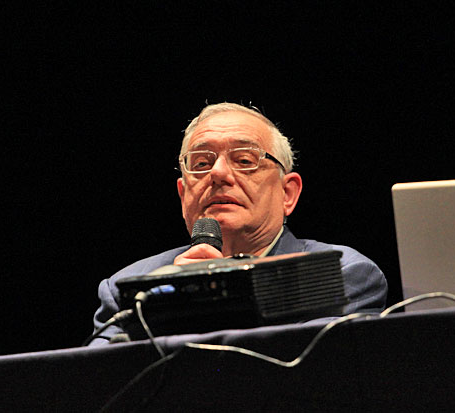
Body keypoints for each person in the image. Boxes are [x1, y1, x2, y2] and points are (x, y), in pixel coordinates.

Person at [88, 103, 387, 344]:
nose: (218, 173)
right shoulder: (128, 290)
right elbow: (100, 389)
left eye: (244, 160)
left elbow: (315, 383)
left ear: (287, 193)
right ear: (183, 194)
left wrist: (199, 313)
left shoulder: (338, 274)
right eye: (201, 163)